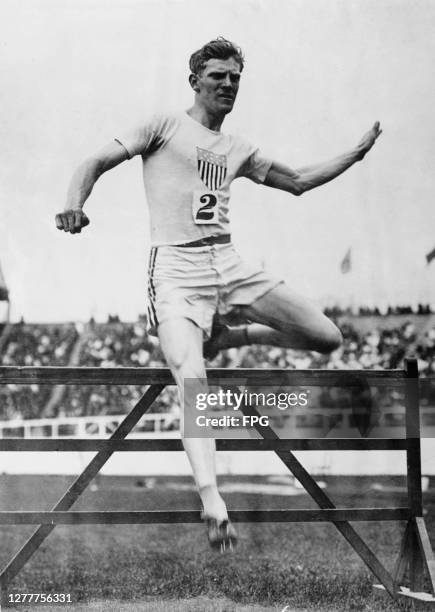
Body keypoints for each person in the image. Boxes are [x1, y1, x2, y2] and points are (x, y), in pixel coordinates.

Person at [55, 37, 381, 551]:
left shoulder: (239, 148)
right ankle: (213, 501)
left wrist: (355, 155)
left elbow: (296, 181)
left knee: (327, 336)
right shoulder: (163, 125)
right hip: (177, 272)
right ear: (195, 81)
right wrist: (74, 203)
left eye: (235, 78)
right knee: (192, 380)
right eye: (218, 76)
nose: (228, 85)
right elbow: (92, 162)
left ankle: (226, 338)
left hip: (228, 264)